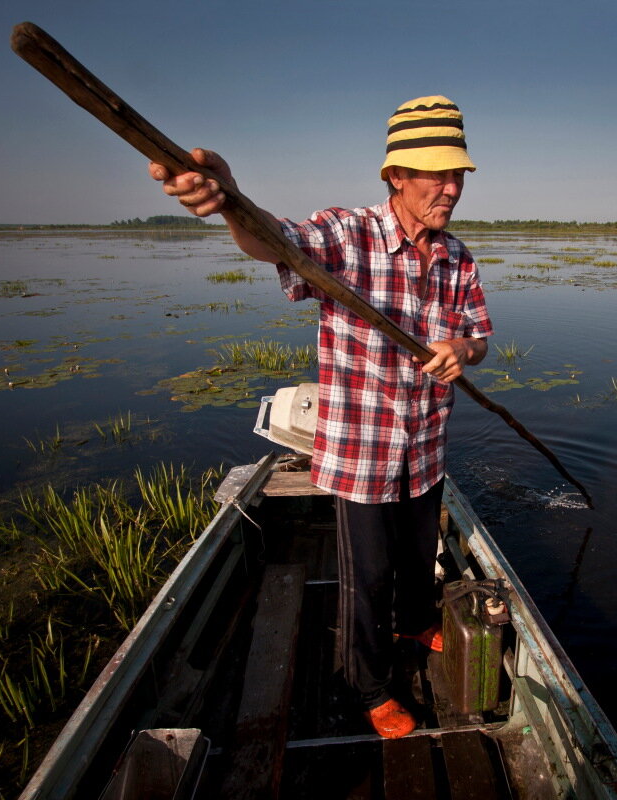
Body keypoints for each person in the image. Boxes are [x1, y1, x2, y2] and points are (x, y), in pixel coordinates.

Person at [149, 96, 492, 738]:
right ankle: (368, 688)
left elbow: (477, 335)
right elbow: (273, 240)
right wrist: (228, 195)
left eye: (458, 175)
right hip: (362, 449)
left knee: (419, 555)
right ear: (395, 175)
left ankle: (418, 619)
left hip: (425, 445)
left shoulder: (457, 257)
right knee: (368, 578)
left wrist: (460, 351)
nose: (450, 189)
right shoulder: (347, 234)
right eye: (434, 175)